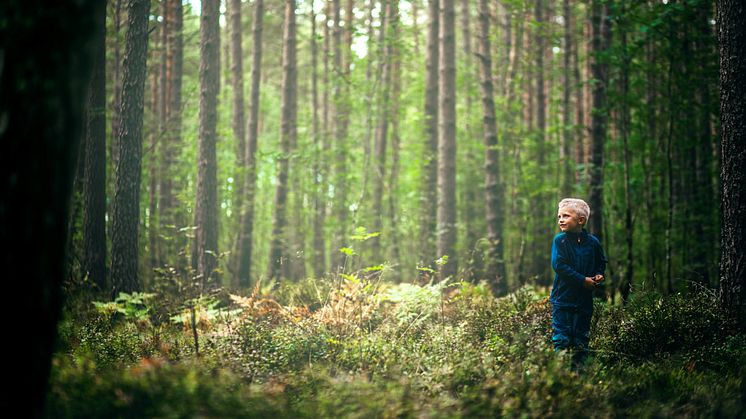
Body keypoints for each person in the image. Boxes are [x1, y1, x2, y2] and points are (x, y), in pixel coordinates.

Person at [550, 198, 607, 366]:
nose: (560, 219)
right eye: (559, 216)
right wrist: (583, 281)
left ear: (580, 220)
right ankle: (560, 376)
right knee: (562, 339)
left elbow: (601, 262)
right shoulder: (560, 241)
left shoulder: (593, 243)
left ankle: (580, 378)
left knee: (581, 339)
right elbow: (559, 265)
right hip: (562, 300)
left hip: (584, 302)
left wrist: (599, 275)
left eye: (566, 216)